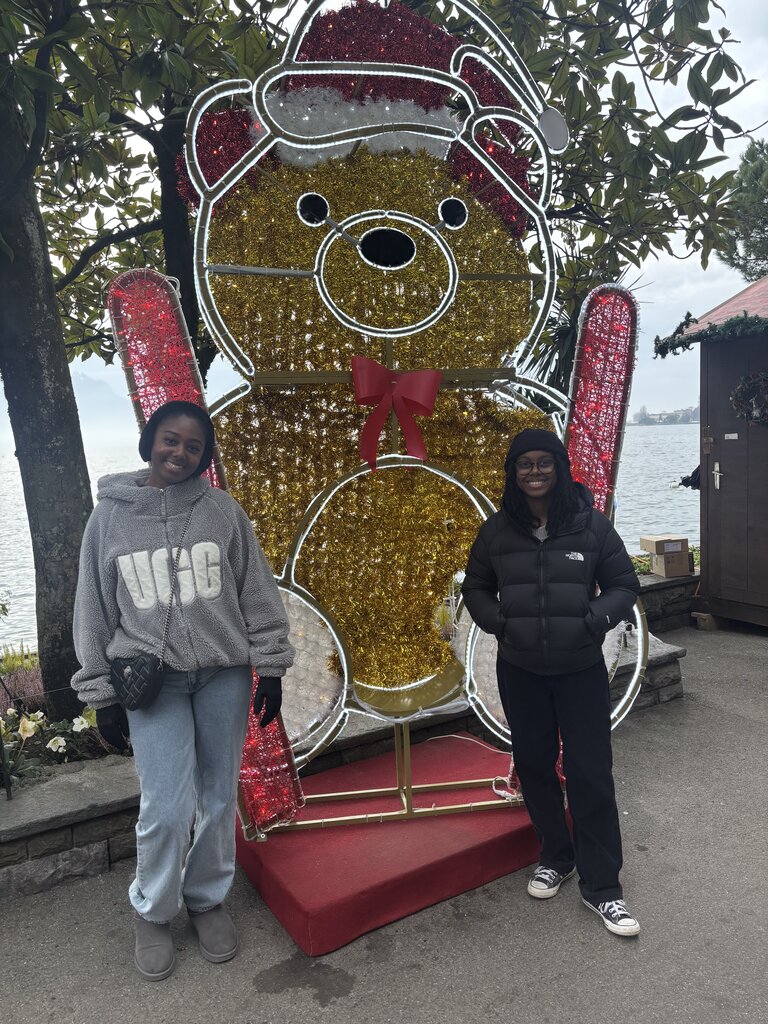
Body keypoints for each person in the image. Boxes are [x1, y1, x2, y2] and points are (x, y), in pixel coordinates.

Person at [71, 400, 294, 980]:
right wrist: (100, 695)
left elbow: (256, 591)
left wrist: (270, 667)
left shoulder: (222, 512)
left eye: (194, 446)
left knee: (217, 798)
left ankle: (206, 897)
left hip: (223, 673)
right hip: (153, 684)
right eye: (170, 439)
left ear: (205, 456)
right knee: (166, 806)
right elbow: (93, 610)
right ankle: (153, 908)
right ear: (150, 440)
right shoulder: (108, 519)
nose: (180, 453)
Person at [461, 428, 641, 937]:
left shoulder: (590, 525)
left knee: (590, 773)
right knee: (535, 766)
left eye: (544, 462)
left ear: (559, 468)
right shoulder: (497, 531)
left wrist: (593, 620)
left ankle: (603, 887)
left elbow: (624, 584)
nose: (535, 471)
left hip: (579, 670)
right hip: (521, 671)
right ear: (512, 473)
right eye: (525, 464)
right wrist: (499, 622)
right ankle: (556, 858)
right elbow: (476, 586)